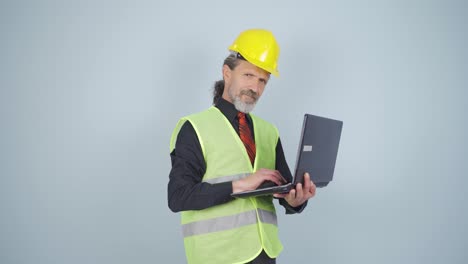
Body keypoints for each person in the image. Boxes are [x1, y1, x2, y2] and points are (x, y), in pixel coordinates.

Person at [167, 29, 316, 264]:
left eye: (262, 81)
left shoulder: (269, 132)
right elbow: (178, 197)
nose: (254, 88)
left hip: (264, 254)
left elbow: (284, 189)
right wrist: (241, 185)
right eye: (248, 75)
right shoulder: (194, 128)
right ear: (227, 73)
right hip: (218, 256)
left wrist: (296, 201)